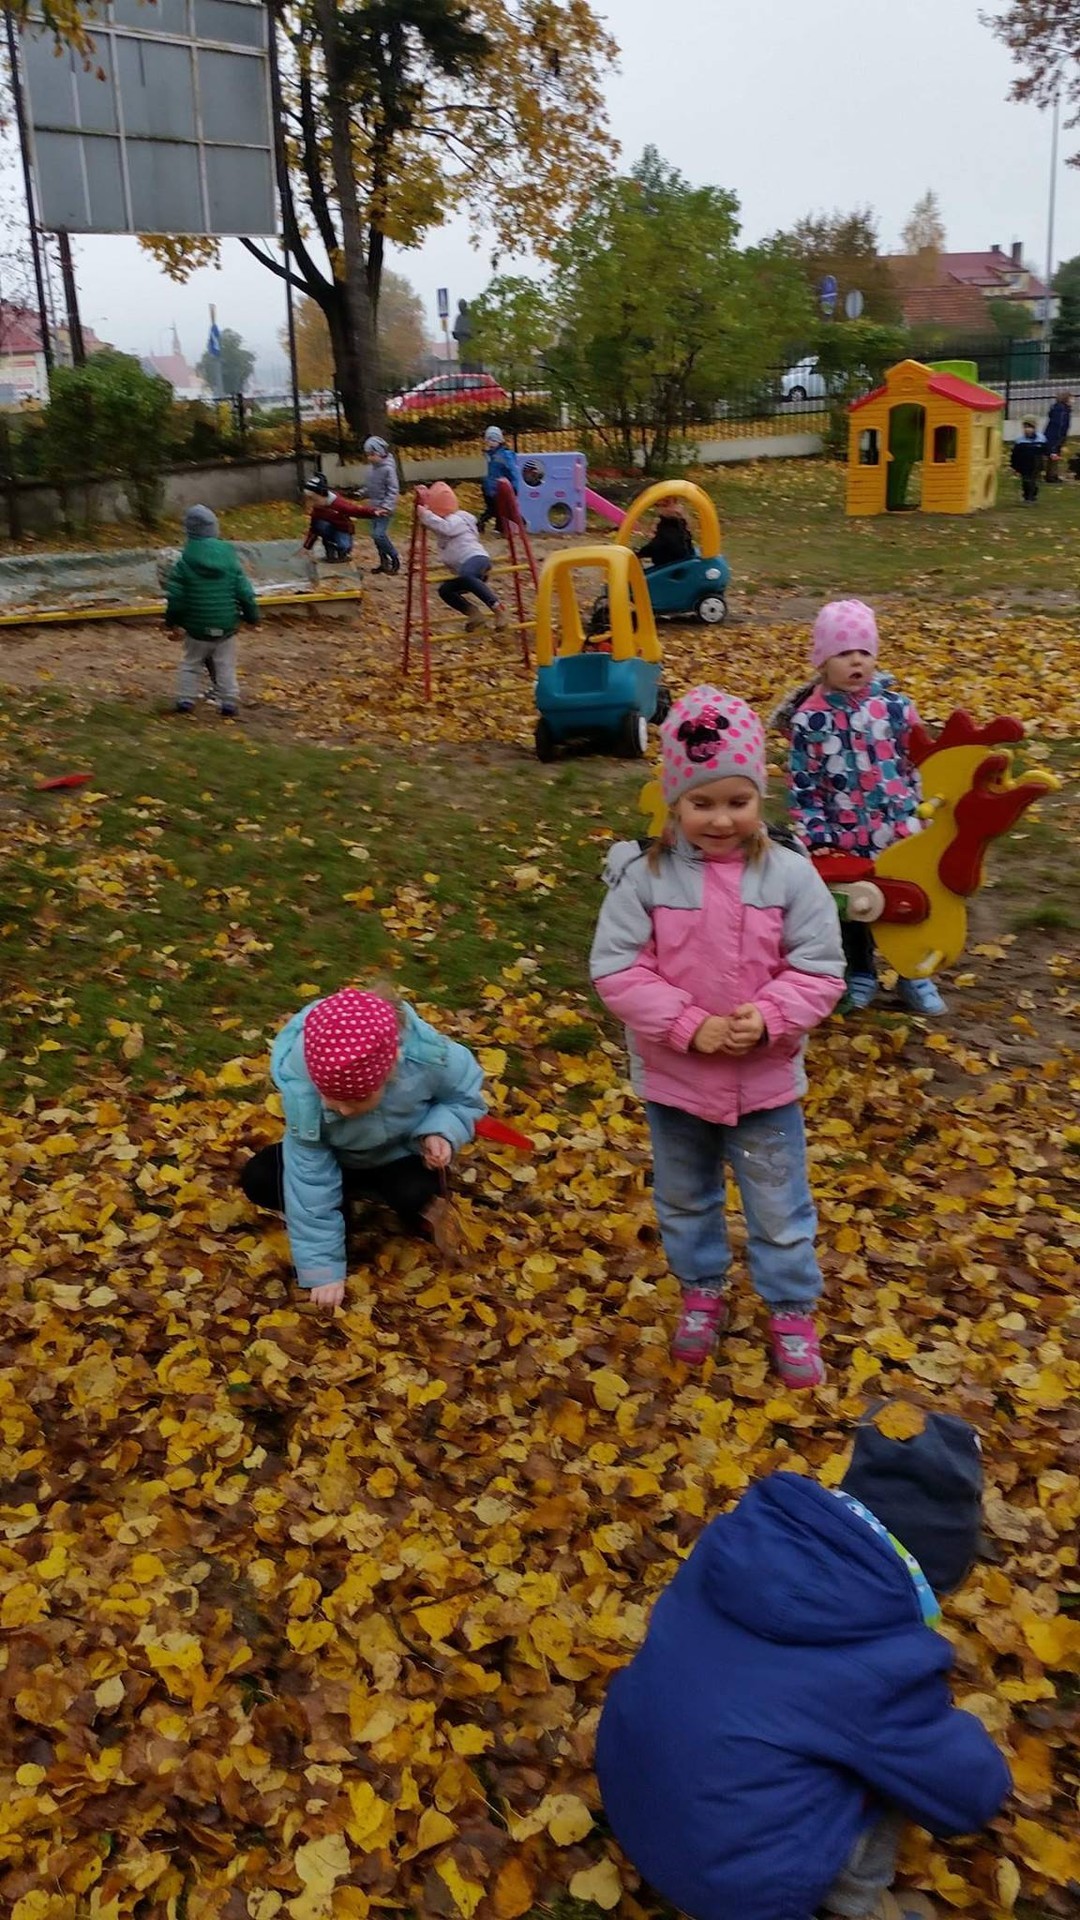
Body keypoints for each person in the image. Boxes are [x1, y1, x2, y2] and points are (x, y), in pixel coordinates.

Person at [596, 1403, 1011, 1920]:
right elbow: (968, 1795)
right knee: (890, 1774)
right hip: (730, 1886)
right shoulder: (880, 1664)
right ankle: (858, 1903)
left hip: (629, 1793)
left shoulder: (734, 1546)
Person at [589, 686, 845, 1382]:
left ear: (761, 797)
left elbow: (820, 967)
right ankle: (701, 1290)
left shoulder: (790, 876)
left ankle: (790, 1307)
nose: (722, 818)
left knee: (779, 1205)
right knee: (684, 1198)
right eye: (702, 802)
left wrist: (770, 1016)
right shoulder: (644, 877)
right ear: (675, 802)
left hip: (765, 1083)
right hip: (677, 1083)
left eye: (738, 800)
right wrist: (688, 1025)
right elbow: (616, 967)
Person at [239, 988, 486, 1311]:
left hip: (399, 1156)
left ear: (390, 1070)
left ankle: (388, 1204)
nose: (342, 1110)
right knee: (261, 1177)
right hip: (336, 1160)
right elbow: (309, 1178)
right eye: (330, 1098)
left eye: (356, 1100)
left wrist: (440, 1132)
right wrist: (322, 1270)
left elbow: (462, 1100)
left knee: (417, 1194)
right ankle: (340, 1212)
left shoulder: (429, 1059)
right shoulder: (305, 1093)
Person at [776, 599, 946, 1018]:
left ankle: (912, 972)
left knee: (909, 899)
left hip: (899, 828)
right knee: (855, 908)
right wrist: (815, 833)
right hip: (842, 836)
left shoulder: (896, 708)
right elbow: (803, 784)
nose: (856, 661)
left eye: (864, 652)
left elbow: (917, 762)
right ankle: (861, 972)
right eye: (843, 653)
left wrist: (920, 810)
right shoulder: (809, 721)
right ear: (822, 661)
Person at [165, 504, 259, 720]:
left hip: (196, 627)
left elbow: (176, 598)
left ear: (189, 532)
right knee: (225, 664)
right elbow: (245, 593)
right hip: (226, 624)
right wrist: (252, 617)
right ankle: (228, 701)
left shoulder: (183, 563)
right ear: (214, 529)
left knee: (191, 663)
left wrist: (172, 622)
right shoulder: (231, 560)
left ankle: (186, 699)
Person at [415, 482, 507, 630]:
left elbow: (445, 527)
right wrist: (424, 498)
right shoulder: (445, 523)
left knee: (466, 576)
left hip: (476, 559)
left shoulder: (457, 519)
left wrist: (426, 515)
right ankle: (473, 613)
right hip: (466, 569)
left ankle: (498, 609)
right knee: (445, 590)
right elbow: (437, 525)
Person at [301, 474, 370, 562]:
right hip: (328, 530)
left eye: (314, 499)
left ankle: (343, 552)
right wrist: (307, 547)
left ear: (322, 495)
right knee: (321, 525)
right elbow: (314, 529)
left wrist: (375, 512)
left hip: (343, 529)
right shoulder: (318, 509)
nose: (313, 503)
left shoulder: (338, 504)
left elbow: (356, 510)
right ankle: (330, 551)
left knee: (343, 546)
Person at [360, 435, 402, 573]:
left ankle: (394, 557)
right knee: (375, 537)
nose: (370, 458)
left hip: (384, 509)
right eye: (368, 455)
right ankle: (383, 562)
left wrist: (386, 507)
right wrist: (361, 492)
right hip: (373, 508)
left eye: (372, 454)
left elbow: (393, 489)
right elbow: (371, 487)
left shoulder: (388, 469)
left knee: (379, 535)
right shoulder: (371, 469)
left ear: (381, 453)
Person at [478, 425, 522, 534]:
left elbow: (513, 471)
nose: (491, 442)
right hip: (489, 488)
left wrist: (514, 486)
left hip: (500, 488)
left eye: (494, 440)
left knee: (500, 509)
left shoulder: (505, 455)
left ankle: (494, 526)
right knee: (495, 509)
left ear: (500, 441)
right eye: (489, 440)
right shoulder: (488, 455)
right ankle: (499, 527)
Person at [636, 495, 695, 569]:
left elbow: (658, 545)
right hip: (673, 564)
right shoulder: (670, 523)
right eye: (658, 506)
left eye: (665, 505)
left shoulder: (674, 527)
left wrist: (641, 553)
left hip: (672, 568)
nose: (661, 509)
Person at [1010, 418, 1045, 504]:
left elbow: (1044, 451)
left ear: (1034, 428)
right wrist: (1014, 466)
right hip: (1024, 464)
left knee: (1032, 480)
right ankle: (1027, 495)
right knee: (1025, 480)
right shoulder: (1020, 441)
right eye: (1025, 427)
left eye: (1030, 427)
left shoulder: (1040, 439)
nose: (1028, 429)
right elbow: (1015, 455)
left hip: (1035, 463)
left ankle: (1031, 497)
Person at [1043, 391, 1071, 483]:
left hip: (1053, 435)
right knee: (1053, 454)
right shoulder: (1062, 410)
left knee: (1053, 454)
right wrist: (1060, 437)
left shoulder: (1059, 409)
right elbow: (1060, 425)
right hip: (1055, 436)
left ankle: (1051, 474)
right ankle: (1051, 476)